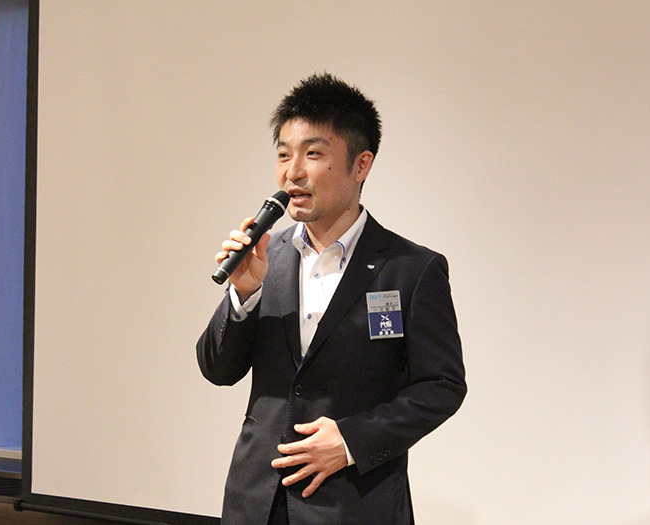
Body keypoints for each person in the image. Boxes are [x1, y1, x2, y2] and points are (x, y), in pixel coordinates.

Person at [197, 73, 466, 524]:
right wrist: (244, 293)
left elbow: (442, 386)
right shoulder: (266, 256)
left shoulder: (411, 269)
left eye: (313, 153)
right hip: (256, 503)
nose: (292, 172)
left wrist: (351, 440)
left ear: (361, 165)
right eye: (284, 154)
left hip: (353, 505)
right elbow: (217, 370)